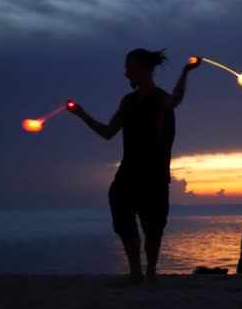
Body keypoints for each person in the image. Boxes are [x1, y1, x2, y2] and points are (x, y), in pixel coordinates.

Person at [67, 49, 200, 283]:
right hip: (128, 174)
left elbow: (175, 100)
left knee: (153, 228)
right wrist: (81, 114)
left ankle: (150, 270)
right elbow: (108, 132)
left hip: (155, 175)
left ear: (145, 70)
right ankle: (136, 271)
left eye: (130, 67)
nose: (126, 73)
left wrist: (185, 72)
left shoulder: (160, 99)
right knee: (123, 220)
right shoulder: (127, 101)